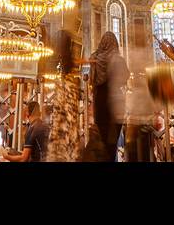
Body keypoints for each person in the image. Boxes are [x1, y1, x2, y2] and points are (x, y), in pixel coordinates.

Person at [89, 31, 129, 161]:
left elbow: (91, 80)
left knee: (101, 138)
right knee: (112, 142)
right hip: (116, 103)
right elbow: (125, 77)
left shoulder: (94, 58)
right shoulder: (118, 59)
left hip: (99, 102)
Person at [46, 30, 81, 163]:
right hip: (66, 135)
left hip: (59, 136)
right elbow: (71, 115)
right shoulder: (70, 81)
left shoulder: (61, 80)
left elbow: (61, 111)